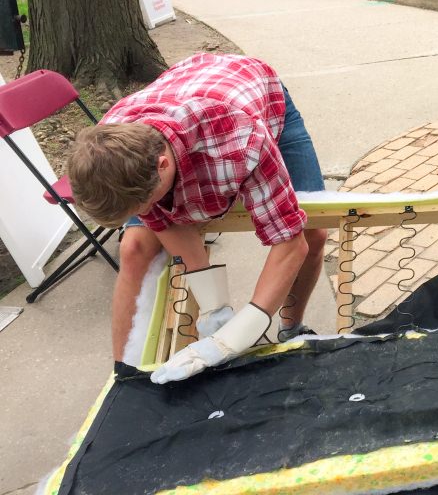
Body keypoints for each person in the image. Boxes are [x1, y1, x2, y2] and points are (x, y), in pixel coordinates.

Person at [66, 53, 330, 383]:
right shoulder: (110, 139)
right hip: (184, 93)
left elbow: (290, 243)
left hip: (257, 92)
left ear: (162, 166)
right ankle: (124, 378)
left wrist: (236, 336)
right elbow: (163, 217)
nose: (145, 214)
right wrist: (215, 305)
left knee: (315, 234)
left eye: (143, 205)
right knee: (134, 246)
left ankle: (291, 328)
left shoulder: (241, 140)